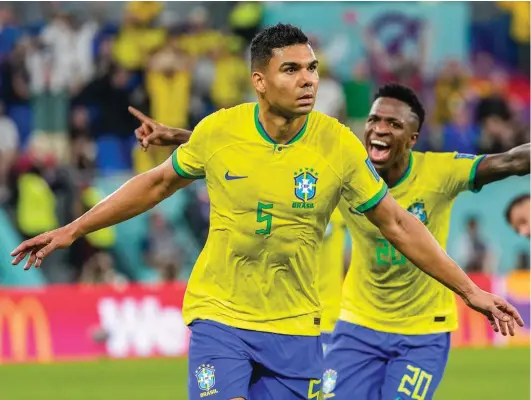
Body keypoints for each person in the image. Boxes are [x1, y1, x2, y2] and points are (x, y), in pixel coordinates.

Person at [12, 25, 523, 400]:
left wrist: (471, 291)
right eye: (292, 69)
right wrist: (73, 229)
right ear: (259, 80)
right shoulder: (220, 130)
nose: (308, 80)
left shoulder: (336, 145)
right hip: (221, 315)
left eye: (313, 69)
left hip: (297, 326)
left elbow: (398, 224)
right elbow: (157, 182)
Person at [322, 84, 530, 400]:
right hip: (358, 324)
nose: (380, 129)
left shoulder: (439, 172)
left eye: (394, 124)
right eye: (374, 120)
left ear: (413, 139)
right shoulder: (347, 174)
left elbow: (512, 161)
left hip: (423, 332)